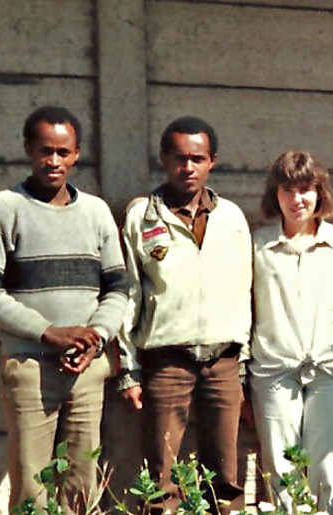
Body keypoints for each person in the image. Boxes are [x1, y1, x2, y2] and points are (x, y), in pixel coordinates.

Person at [0, 106, 129, 514]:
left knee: (82, 480)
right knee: (32, 483)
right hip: (30, 366)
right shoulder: (2, 208)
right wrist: (48, 332)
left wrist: (96, 339)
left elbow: (118, 288)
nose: (53, 161)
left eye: (63, 152)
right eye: (44, 151)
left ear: (77, 154)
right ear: (28, 150)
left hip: (86, 370)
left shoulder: (95, 212)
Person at [115, 116, 252, 514]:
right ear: (163, 159)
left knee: (224, 478)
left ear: (212, 162)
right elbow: (129, 295)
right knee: (160, 479)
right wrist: (128, 369)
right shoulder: (143, 217)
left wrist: (243, 362)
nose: (187, 167)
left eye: (197, 158)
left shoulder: (231, 218)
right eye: (179, 158)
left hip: (224, 362)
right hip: (167, 361)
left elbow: (245, 291)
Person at [250, 151, 333, 515]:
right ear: (275, 194)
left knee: (328, 468)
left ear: (320, 194)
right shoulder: (257, 247)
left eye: (305, 189)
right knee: (281, 471)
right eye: (287, 189)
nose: (296, 199)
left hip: (331, 372)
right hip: (274, 373)